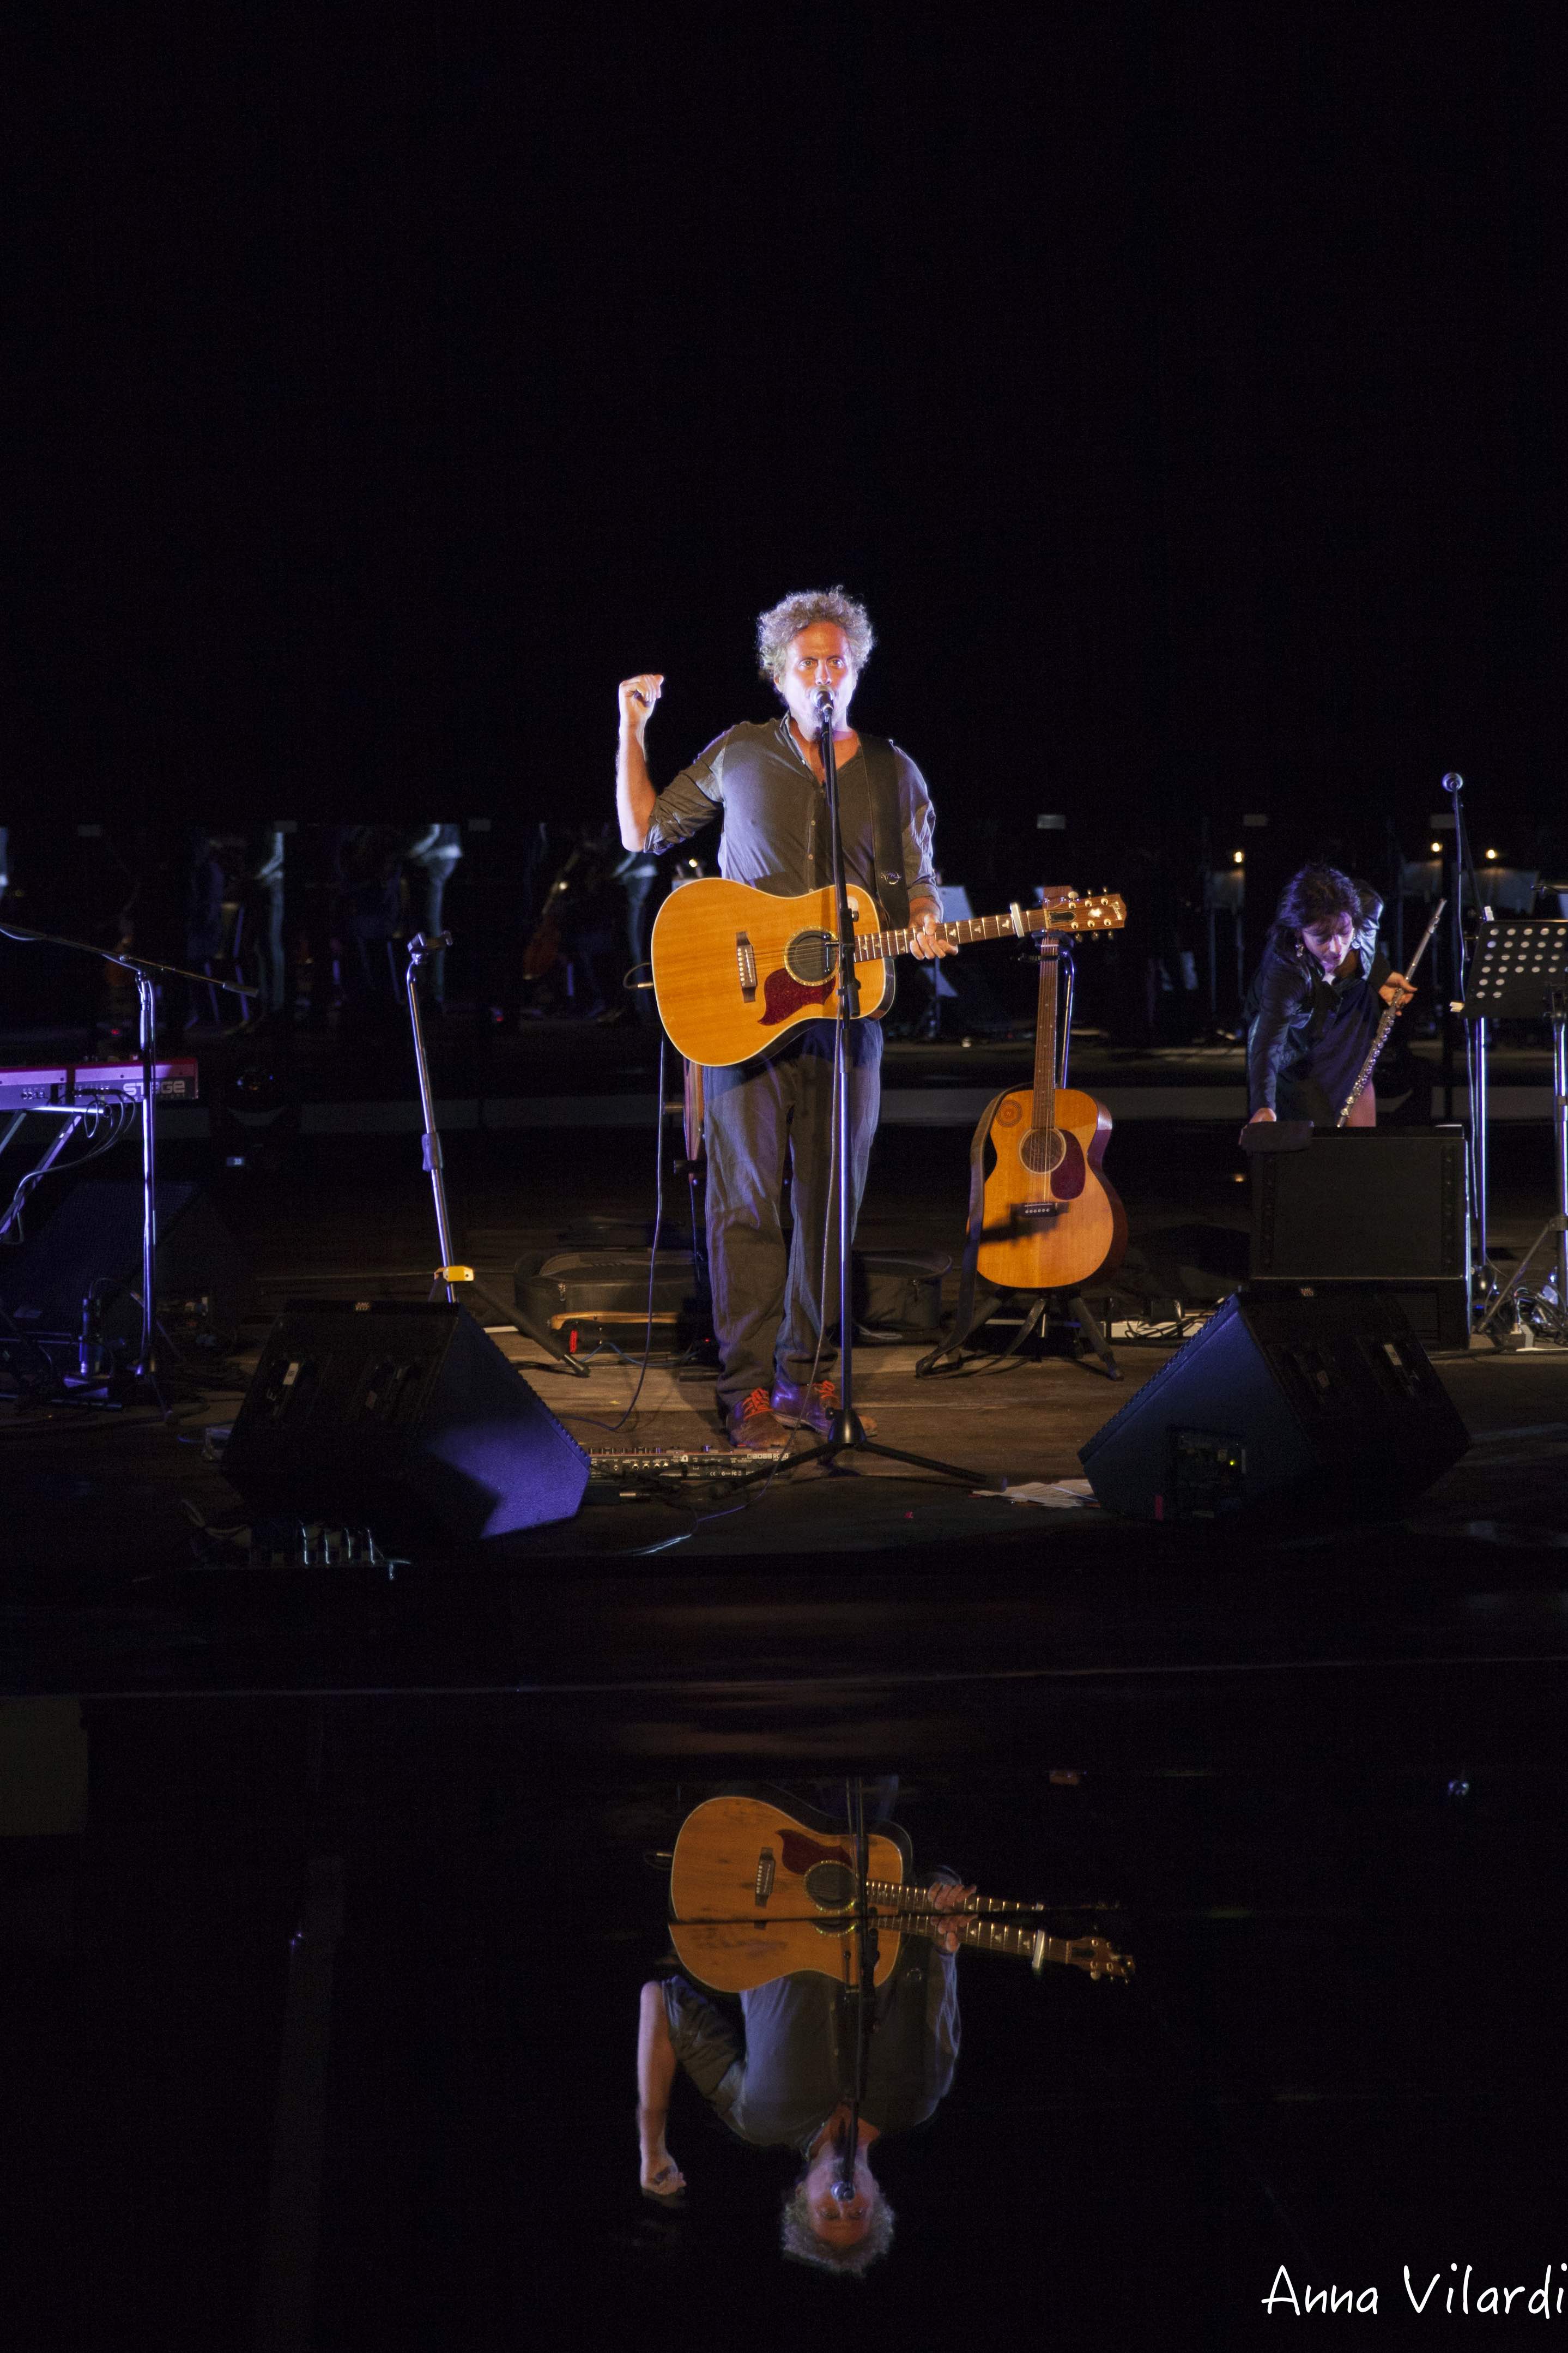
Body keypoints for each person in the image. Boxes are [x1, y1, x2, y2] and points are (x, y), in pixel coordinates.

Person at [615, 587, 954, 1448]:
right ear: (779, 675)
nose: (824, 674)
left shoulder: (892, 770)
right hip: (741, 1017)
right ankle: (747, 1391)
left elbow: (918, 880)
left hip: (848, 1018)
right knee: (746, 1206)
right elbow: (645, 831)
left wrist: (923, 919)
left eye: (837, 660)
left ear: (858, 669)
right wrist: (632, 729)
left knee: (830, 1204)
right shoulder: (739, 753)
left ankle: (807, 1378)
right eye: (807, 662)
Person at [635, 1870, 972, 2278]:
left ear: (800, 2195)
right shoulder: (918, 2098)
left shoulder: (757, 2118)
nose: (843, 2199)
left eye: (829, 2212)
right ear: (877, 2196)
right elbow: (939, 1971)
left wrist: (652, 2146)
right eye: (857, 2210)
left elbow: (663, 2001)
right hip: (875, 1871)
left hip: (774, 1876)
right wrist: (944, 1933)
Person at [1244, 863, 1414, 1132]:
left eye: (1344, 933)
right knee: (1316, 1123)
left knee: (1358, 1076)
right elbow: (1266, 1044)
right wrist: (1263, 1106)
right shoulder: (1285, 971)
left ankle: (1362, 1163)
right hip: (1299, 1031)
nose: (1336, 948)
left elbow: (1368, 946)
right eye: (1322, 937)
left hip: (1352, 1007)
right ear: (1300, 932)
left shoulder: (1367, 906)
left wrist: (1378, 976)